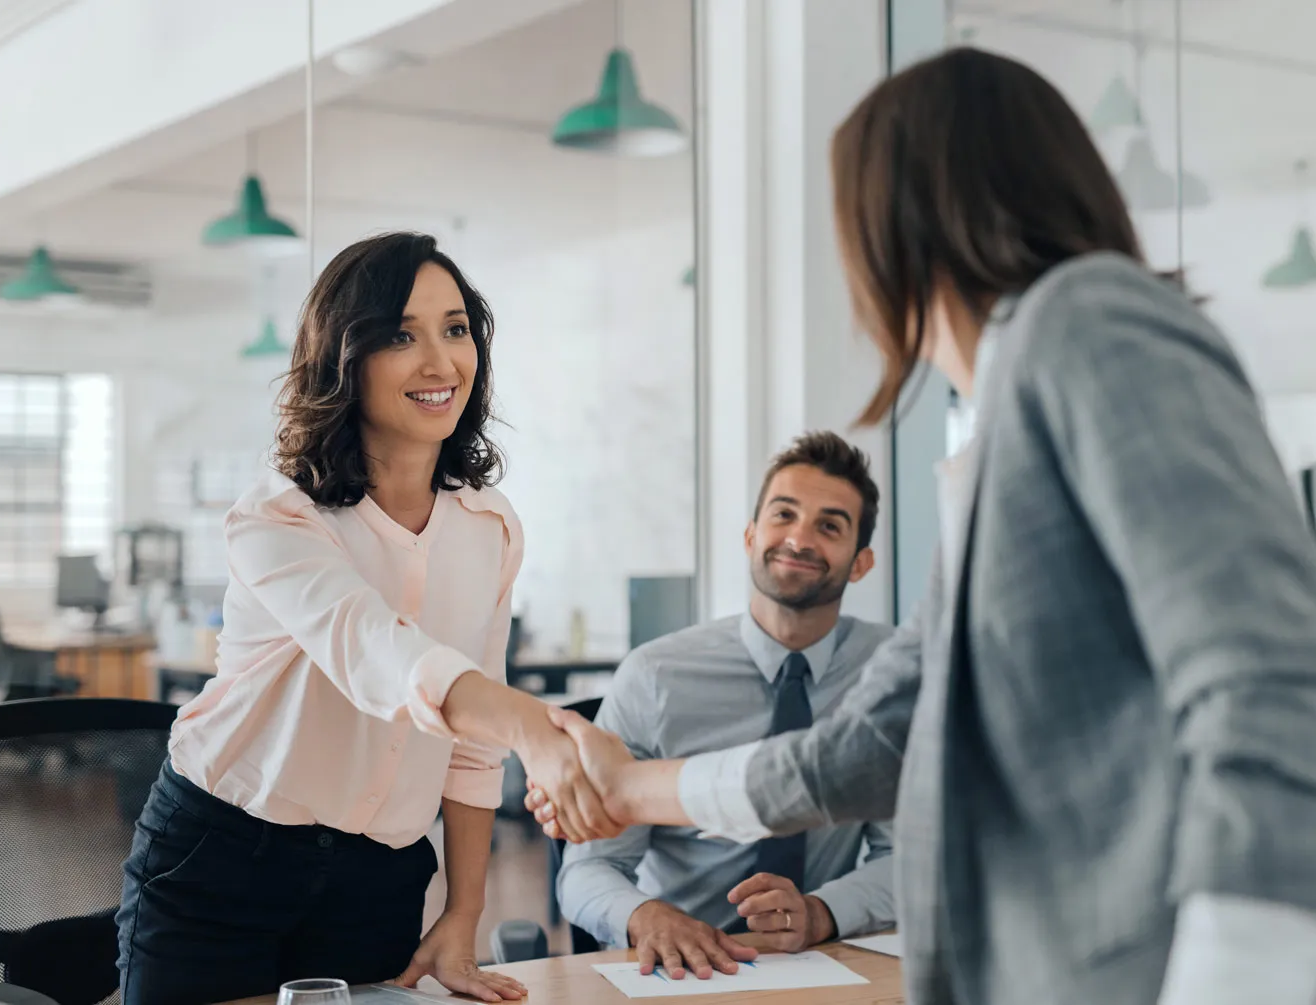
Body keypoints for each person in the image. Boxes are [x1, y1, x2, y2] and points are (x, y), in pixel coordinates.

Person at [528, 48, 1316, 1005]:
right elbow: (873, 747)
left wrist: (1244, 975)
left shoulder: (1090, 318)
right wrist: (633, 787)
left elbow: (1269, 679)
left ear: (896, 219)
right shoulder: (997, 441)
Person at [116, 233, 617, 1005]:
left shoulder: (491, 528)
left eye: (456, 329)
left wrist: (464, 909)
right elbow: (377, 653)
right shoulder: (279, 517)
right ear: (344, 359)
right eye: (399, 335)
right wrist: (535, 729)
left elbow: (469, 748)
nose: (440, 362)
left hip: (378, 875)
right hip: (222, 857)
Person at [558, 432, 896, 979]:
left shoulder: (891, 674)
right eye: (783, 514)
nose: (799, 538)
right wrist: (646, 917)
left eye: (829, 526)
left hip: (823, 963)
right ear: (750, 535)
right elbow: (588, 868)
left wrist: (820, 913)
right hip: (680, 971)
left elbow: (911, 853)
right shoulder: (655, 676)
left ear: (861, 563)